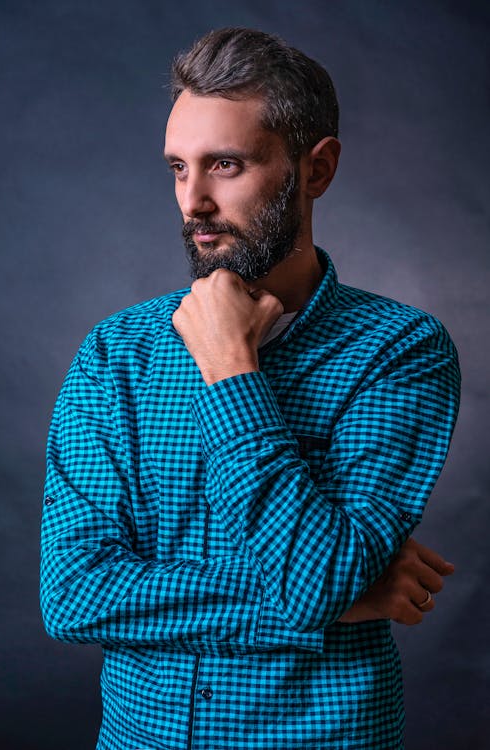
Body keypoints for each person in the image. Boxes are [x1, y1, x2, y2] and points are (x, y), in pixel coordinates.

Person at [40, 27, 460, 750]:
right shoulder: (116, 355)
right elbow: (75, 597)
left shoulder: (400, 352)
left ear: (316, 168)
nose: (192, 201)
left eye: (225, 164)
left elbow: (312, 583)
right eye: (178, 167)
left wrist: (232, 368)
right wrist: (343, 595)